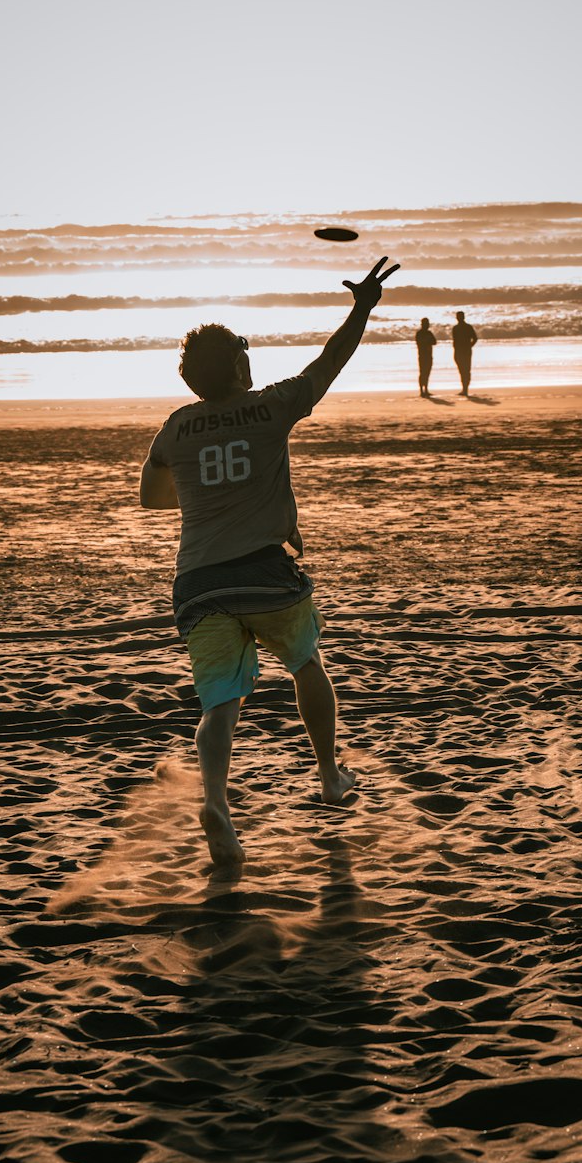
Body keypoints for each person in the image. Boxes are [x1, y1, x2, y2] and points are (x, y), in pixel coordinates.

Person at [140, 256, 400, 866]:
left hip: (198, 582)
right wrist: (361, 308)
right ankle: (330, 775)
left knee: (219, 703)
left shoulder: (175, 429)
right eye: (244, 349)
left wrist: (210, 487)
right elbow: (328, 363)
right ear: (238, 364)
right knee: (307, 662)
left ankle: (215, 803)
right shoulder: (272, 406)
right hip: (265, 572)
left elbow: (152, 497)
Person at [451, 310, 478, 396]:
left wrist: (470, 346)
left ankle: (465, 389)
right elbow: (455, 342)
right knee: (464, 370)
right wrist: (470, 346)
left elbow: (475, 338)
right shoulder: (457, 328)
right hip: (462, 351)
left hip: (464, 351)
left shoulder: (465, 327)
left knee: (465, 370)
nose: (459, 318)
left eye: (460, 317)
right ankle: (465, 388)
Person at [415, 317, 437, 397]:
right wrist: (427, 341)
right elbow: (419, 343)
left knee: (427, 373)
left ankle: (426, 390)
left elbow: (435, 342)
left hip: (428, 355)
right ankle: (422, 390)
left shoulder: (429, 333)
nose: (427, 325)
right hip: (422, 356)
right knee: (422, 373)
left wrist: (427, 341)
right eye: (426, 324)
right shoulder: (420, 333)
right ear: (423, 324)